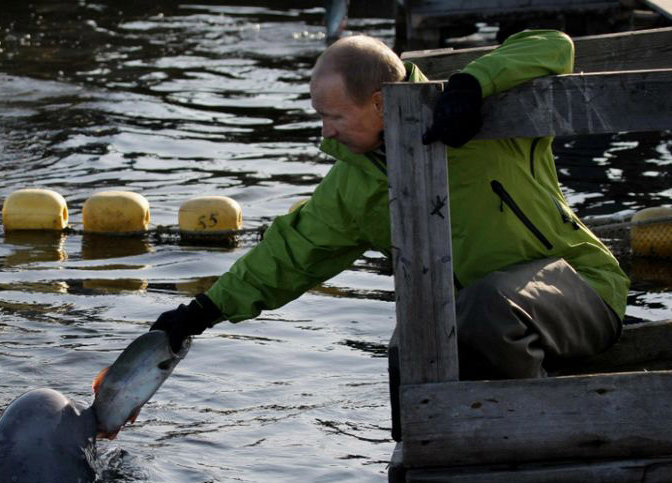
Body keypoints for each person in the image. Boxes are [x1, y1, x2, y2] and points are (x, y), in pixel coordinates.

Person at [150, 30, 629, 439]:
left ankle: (533, 433)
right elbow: (289, 254)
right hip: (474, 322)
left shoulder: (485, 117)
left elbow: (552, 45)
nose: (325, 132)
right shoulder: (353, 186)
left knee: (488, 306)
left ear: (379, 102)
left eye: (334, 116)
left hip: (580, 289)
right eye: (320, 116)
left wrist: (472, 84)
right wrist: (202, 312)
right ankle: (424, 465)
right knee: (408, 346)